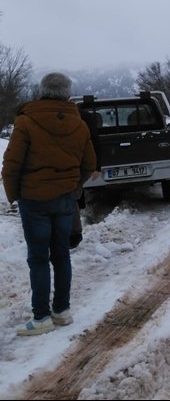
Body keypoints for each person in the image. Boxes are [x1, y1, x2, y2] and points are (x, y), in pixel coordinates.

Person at [2, 72, 97, 336]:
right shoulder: (79, 124)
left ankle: (41, 317)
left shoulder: (26, 121)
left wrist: (14, 195)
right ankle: (62, 311)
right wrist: (74, 187)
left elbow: (11, 164)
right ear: (67, 94)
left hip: (34, 201)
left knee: (38, 258)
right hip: (65, 199)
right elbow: (90, 163)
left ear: (41, 91)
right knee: (61, 255)